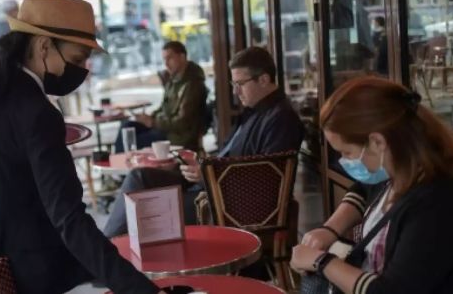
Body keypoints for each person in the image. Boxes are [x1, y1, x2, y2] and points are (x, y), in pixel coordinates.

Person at [0, 0, 160, 294]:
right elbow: (69, 218)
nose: (82, 70)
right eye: (78, 59)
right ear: (43, 46)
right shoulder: (38, 113)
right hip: (16, 275)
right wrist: (140, 289)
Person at [291, 77, 453, 294]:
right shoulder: (397, 173)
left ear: (378, 142)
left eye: (347, 152)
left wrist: (322, 262)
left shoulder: (441, 205)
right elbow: (363, 189)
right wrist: (330, 229)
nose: (345, 161)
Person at [103, 46, 304, 237]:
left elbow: (265, 180)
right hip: (214, 187)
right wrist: (203, 165)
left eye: (240, 84)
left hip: (230, 207)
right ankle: (105, 249)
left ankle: (105, 257)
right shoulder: (256, 110)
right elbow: (232, 155)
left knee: (146, 208)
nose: (236, 92)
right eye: (234, 85)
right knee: (141, 177)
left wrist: (208, 174)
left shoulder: (281, 119)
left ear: (264, 80)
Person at [113, 41, 208, 153]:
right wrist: (148, 118)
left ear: (182, 57)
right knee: (127, 126)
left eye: (170, 58)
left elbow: (182, 123)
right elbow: (164, 107)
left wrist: (153, 122)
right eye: (164, 59)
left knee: (134, 141)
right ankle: (119, 164)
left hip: (176, 136)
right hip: (164, 128)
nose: (166, 64)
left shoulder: (193, 84)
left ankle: (122, 166)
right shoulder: (173, 79)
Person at [329, 0, 373, 71]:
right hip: (362, 45)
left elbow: (346, 28)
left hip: (352, 48)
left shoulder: (341, 1)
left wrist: (350, 47)